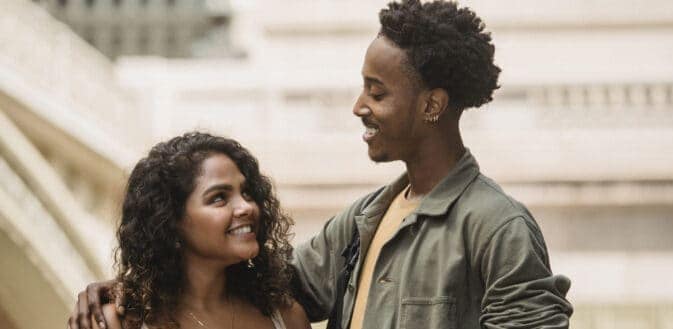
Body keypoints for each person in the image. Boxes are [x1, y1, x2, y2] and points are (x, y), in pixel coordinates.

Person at [70, 1, 572, 328]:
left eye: (377, 92)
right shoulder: (363, 221)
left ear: (431, 106)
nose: (359, 106)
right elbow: (257, 278)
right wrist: (134, 285)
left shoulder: (497, 226)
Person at [76, 132, 310, 329]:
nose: (246, 206)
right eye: (219, 198)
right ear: (170, 220)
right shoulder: (116, 322)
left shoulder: (286, 318)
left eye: (247, 193)